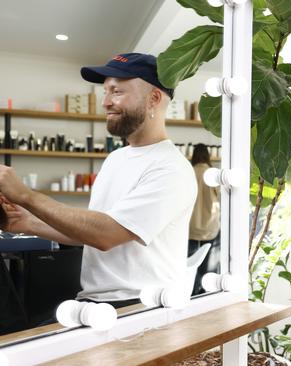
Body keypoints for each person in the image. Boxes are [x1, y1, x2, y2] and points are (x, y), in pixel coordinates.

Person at [0, 53, 197, 308]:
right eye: (105, 92)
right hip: (97, 303)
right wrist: (27, 222)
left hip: (140, 307)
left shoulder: (171, 168)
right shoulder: (116, 159)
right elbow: (88, 233)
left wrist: (27, 196)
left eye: (116, 91)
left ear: (154, 98)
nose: (105, 102)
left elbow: (107, 234)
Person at [188, 143, 220, 295]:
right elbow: (221, 198)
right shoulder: (212, 174)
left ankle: (192, 296)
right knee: (209, 271)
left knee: (190, 268)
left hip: (190, 229)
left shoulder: (187, 172)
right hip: (210, 228)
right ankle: (206, 298)